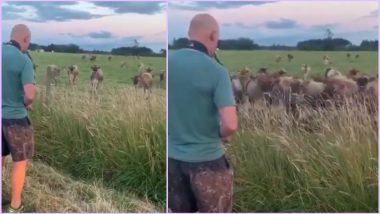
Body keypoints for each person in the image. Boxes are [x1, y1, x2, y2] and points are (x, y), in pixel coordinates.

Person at [168, 13, 238, 212]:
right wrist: (221, 134)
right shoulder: (216, 70)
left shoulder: (170, 63)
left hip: (172, 162)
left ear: (189, 34)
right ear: (213, 35)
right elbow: (231, 125)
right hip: (208, 163)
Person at [2, 24, 36, 213]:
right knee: (19, 163)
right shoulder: (24, 61)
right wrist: (26, 102)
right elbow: (29, 94)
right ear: (25, 39)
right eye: (28, 42)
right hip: (16, 120)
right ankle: (15, 206)